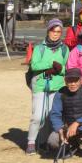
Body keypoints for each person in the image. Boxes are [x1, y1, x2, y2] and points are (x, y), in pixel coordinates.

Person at [26, 18, 69, 154]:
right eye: (53, 31)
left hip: (56, 87)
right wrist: (51, 66)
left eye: (58, 31)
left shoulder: (64, 49)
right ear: (48, 31)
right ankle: (31, 142)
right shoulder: (39, 48)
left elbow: (66, 69)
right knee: (38, 116)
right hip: (40, 85)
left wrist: (59, 68)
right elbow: (34, 65)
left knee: (51, 116)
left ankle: (45, 142)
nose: (55, 34)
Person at [47, 67, 82, 161]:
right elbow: (55, 114)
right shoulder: (59, 93)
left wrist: (77, 123)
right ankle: (71, 146)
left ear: (81, 80)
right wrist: (60, 131)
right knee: (52, 141)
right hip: (66, 128)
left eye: (75, 80)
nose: (72, 84)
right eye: (69, 80)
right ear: (65, 81)